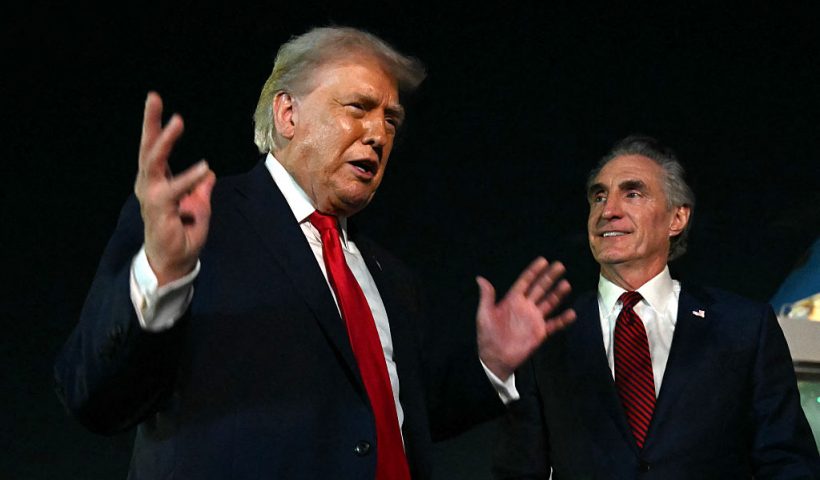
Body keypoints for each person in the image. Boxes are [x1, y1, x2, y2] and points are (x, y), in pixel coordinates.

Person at [54, 25, 576, 479]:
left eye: (391, 120)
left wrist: (489, 365)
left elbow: (387, 420)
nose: (379, 135)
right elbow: (93, 395)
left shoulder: (389, 277)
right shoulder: (198, 224)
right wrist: (162, 274)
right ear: (287, 113)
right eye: (358, 108)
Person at [492, 135, 820, 479]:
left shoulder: (744, 327)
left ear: (677, 217)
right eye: (599, 196)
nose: (608, 210)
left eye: (632, 194)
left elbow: (788, 461)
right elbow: (519, 468)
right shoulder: (547, 336)